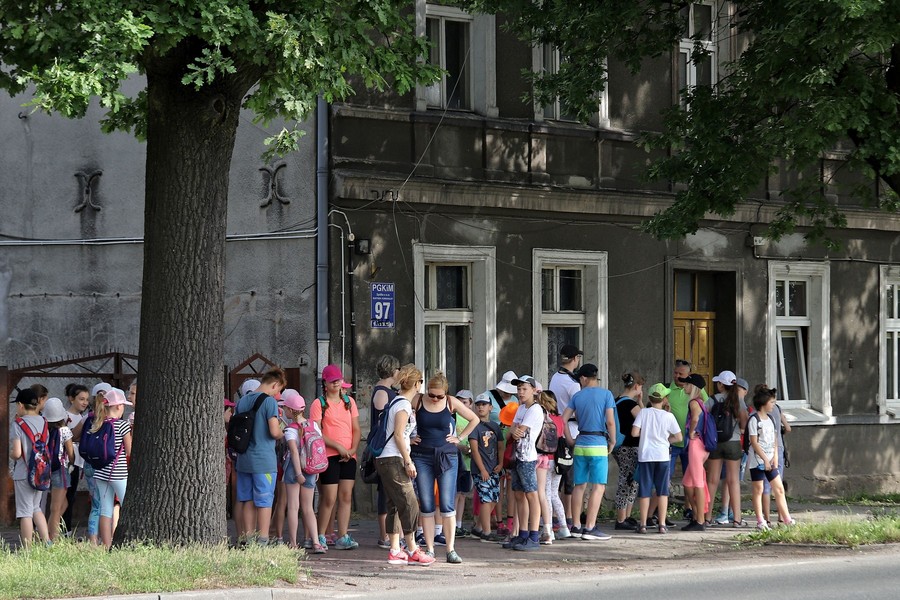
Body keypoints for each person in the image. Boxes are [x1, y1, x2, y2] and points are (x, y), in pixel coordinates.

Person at [410, 371, 478, 563]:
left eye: (439, 396)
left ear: (445, 393)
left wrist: (460, 437)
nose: (435, 399)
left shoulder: (450, 402)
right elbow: (400, 415)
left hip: (447, 455)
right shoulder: (418, 400)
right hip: (421, 455)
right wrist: (409, 438)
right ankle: (430, 549)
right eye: (431, 395)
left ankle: (450, 549)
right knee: (426, 502)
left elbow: (475, 419)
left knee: (448, 502)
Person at [375, 364, 436, 566]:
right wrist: (408, 461)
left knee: (395, 504)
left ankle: (395, 549)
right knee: (409, 503)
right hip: (394, 459)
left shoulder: (397, 402)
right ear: (417, 384)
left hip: (387, 458)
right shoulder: (403, 405)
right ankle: (412, 548)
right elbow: (400, 436)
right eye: (421, 382)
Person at [561, 363, 616, 541]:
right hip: (599, 443)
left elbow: (563, 419)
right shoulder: (606, 394)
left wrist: (569, 438)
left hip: (581, 443)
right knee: (598, 486)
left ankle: (576, 526)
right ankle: (590, 527)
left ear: (584, 378)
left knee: (580, 485)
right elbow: (610, 422)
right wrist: (613, 440)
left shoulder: (577, 396)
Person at [310, 364, 361, 550]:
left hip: (349, 455)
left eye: (338, 380)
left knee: (346, 496)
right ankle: (321, 535)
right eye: (332, 381)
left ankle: (343, 535)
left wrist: (353, 448)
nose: (336, 384)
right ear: (325, 382)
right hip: (329, 455)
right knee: (329, 497)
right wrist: (338, 446)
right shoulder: (319, 404)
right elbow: (317, 432)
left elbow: (356, 429)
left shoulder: (350, 402)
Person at [234, 368, 286, 546]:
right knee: (264, 500)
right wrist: (282, 432)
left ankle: (248, 539)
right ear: (274, 384)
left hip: (244, 459)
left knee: (247, 499)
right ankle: (263, 539)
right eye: (278, 390)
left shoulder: (241, 401)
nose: (277, 394)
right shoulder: (269, 402)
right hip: (263, 460)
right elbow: (273, 431)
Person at [631, 383, 683, 534]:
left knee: (645, 491)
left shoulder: (643, 413)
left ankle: (642, 525)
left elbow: (634, 433)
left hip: (646, 455)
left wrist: (646, 434)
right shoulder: (669, 416)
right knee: (662, 491)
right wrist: (667, 440)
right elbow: (679, 437)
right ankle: (662, 524)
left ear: (649, 398)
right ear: (665, 399)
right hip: (662, 455)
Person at [502, 376, 545, 551]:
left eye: (524, 389)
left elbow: (518, 431)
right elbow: (510, 432)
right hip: (517, 457)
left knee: (531, 494)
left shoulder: (535, 410)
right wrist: (514, 429)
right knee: (519, 494)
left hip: (527, 457)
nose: (520, 392)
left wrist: (515, 429)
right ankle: (523, 533)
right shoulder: (520, 408)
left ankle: (534, 536)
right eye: (519, 389)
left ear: (534, 390)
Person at [279, 389, 325, 552]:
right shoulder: (313, 425)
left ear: (291, 410)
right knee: (309, 508)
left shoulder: (290, 429)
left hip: (295, 469)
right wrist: (316, 469)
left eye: (285, 409)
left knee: (293, 507)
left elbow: (293, 452)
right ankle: (316, 542)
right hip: (312, 469)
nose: (284, 411)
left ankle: (292, 543)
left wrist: (298, 473)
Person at [748, 385, 796, 529]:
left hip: (771, 460)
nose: (773, 406)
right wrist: (764, 459)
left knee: (779, 489)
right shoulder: (754, 420)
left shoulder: (771, 419)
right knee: (759, 489)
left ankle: (787, 519)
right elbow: (754, 443)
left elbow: (775, 440)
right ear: (763, 403)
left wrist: (774, 458)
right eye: (772, 403)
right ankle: (760, 521)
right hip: (758, 461)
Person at [705, 371, 749, 527]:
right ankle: (737, 519)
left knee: (712, 481)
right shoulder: (739, 401)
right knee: (733, 481)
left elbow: (704, 418)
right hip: (733, 443)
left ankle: (707, 518)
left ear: (721, 385)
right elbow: (744, 422)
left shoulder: (712, 400)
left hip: (715, 443)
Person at [9, 388, 51, 548]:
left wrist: (11, 454)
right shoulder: (44, 422)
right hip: (41, 473)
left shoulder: (18, 424)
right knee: (36, 508)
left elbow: (17, 453)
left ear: (21, 405)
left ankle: (27, 549)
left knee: (25, 512)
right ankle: (47, 542)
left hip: (23, 473)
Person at [91, 387, 133, 549]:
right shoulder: (123, 425)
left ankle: (107, 546)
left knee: (105, 510)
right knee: (127, 505)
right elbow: (129, 451)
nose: (124, 407)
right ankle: (129, 541)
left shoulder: (98, 423)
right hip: (119, 473)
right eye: (123, 405)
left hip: (101, 472)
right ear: (117, 407)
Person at [667, 359, 708, 521]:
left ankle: (690, 509)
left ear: (689, 375)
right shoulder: (667, 389)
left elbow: (706, 407)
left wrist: (693, 431)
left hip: (691, 443)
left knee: (690, 478)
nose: (677, 377)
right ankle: (661, 507)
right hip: (672, 441)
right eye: (675, 373)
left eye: (681, 374)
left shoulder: (696, 393)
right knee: (667, 475)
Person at [548, 345, 582, 526]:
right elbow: (579, 408)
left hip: (557, 428)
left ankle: (557, 515)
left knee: (558, 473)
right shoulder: (573, 383)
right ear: (575, 358)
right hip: (572, 428)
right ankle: (568, 516)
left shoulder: (555, 377)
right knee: (570, 475)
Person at [370, 354, 400, 548]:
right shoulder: (382, 392)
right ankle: (384, 535)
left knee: (389, 491)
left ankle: (390, 534)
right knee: (384, 492)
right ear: (392, 370)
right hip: (383, 448)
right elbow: (382, 421)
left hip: (390, 447)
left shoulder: (389, 390)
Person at [468, 392, 503, 542]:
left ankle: (478, 528)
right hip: (480, 469)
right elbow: (474, 450)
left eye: (484, 404)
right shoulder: (474, 426)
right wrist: (482, 469)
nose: (481, 407)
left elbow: (501, 446)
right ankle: (487, 533)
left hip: (494, 467)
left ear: (490, 407)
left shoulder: (495, 426)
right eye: (478, 405)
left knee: (494, 498)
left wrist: (501, 463)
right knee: (485, 499)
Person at [613, 372, 644, 530]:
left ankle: (626, 516)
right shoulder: (632, 405)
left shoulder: (616, 401)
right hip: (630, 446)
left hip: (618, 446)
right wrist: (641, 403)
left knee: (631, 480)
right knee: (627, 481)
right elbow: (645, 422)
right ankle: (621, 519)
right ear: (637, 386)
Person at [680, 374, 710, 532]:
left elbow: (695, 419)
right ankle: (697, 516)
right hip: (702, 446)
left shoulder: (693, 402)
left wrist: (691, 432)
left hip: (695, 445)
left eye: (686, 384)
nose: (684, 386)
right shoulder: (701, 402)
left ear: (693, 387)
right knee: (688, 482)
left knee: (697, 482)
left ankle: (700, 520)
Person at [84, 382, 111, 545]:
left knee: (96, 504)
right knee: (107, 504)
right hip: (107, 465)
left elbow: (76, 435)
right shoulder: (111, 421)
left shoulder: (88, 418)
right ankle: (108, 538)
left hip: (89, 465)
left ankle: (93, 540)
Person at [43, 397, 75, 541]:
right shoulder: (65, 430)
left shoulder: (45, 429)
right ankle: (51, 538)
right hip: (61, 469)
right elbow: (70, 451)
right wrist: (72, 463)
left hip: (48, 469)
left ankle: (48, 530)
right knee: (55, 508)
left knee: (63, 503)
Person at [536, 389, 565, 544]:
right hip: (559, 460)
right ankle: (564, 525)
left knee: (545, 494)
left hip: (545, 459)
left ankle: (547, 528)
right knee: (554, 493)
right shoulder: (560, 419)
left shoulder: (543, 418)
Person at [62, 383, 90, 534]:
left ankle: (65, 528)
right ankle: (64, 529)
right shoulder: (65, 416)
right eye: (81, 399)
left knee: (71, 495)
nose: (85, 402)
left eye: (87, 399)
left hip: (78, 460)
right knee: (67, 495)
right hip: (67, 461)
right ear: (71, 399)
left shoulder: (82, 416)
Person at [453, 389, 475, 538]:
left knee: (462, 494)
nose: (462, 404)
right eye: (459, 401)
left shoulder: (473, 419)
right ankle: (452, 524)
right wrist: (461, 447)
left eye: (465, 402)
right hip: (455, 461)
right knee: (454, 495)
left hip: (468, 463)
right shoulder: (453, 417)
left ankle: (459, 525)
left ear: (471, 404)